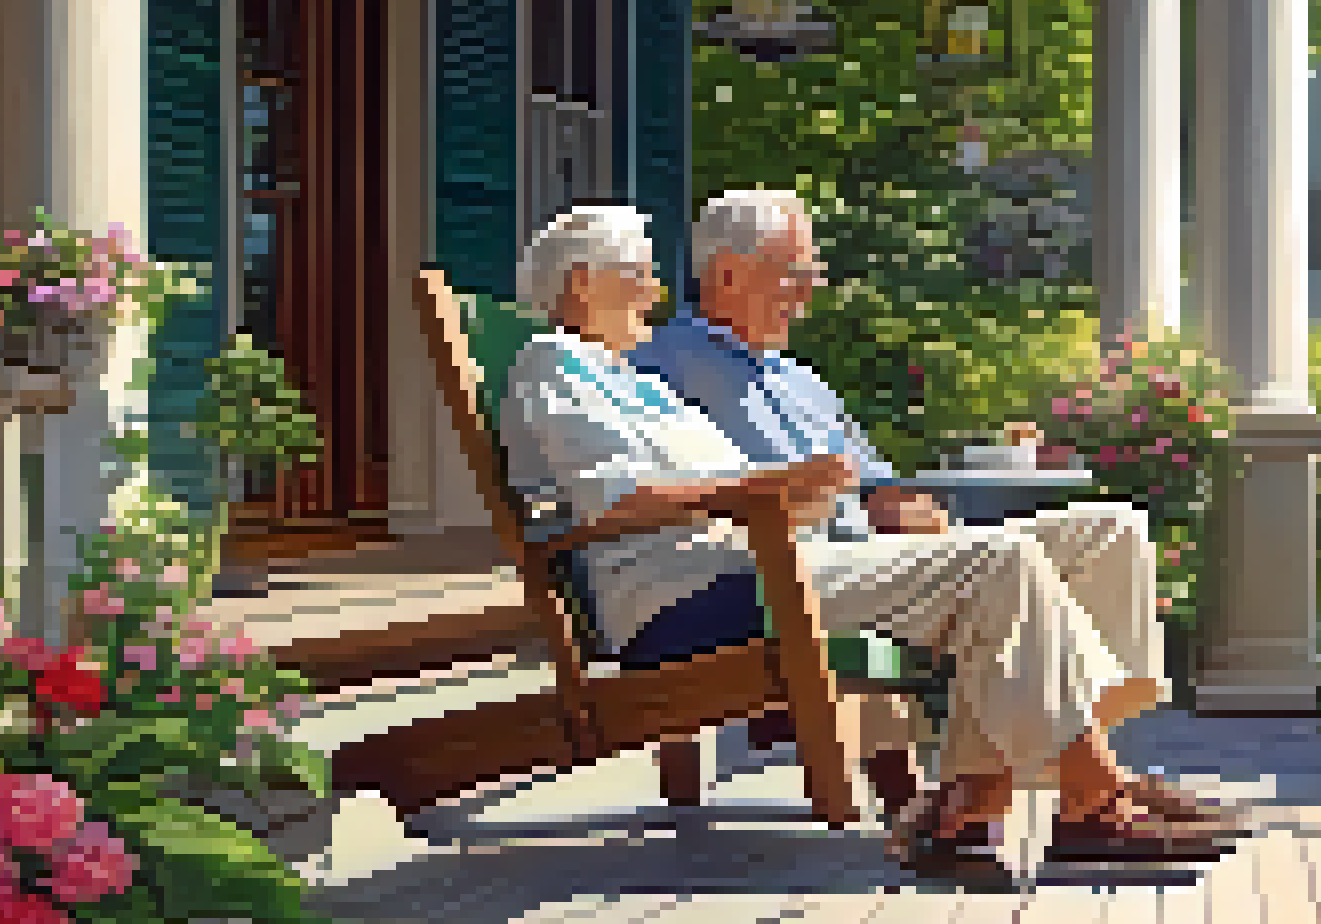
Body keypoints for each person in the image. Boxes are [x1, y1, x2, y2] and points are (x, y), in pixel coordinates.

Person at [500, 203, 1235, 885]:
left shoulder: (632, 382)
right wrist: (782, 487)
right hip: (700, 587)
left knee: (1100, 531)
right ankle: (1092, 800)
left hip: (779, 555)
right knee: (1002, 561)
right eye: (639, 276)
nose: (658, 292)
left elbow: (719, 481)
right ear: (583, 283)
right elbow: (616, 497)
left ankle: (976, 801)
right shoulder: (554, 364)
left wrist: (800, 493)